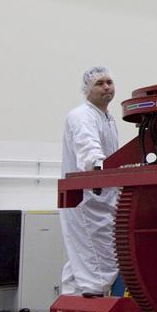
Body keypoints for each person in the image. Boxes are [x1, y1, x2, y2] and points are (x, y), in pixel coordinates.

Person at [59, 67, 121, 295]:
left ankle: (72, 304)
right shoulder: (81, 115)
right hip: (87, 201)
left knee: (82, 257)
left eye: (109, 81)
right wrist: (97, 165)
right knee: (95, 259)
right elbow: (89, 151)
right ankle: (91, 308)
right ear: (87, 89)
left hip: (105, 198)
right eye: (99, 83)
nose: (106, 86)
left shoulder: (108, 118)